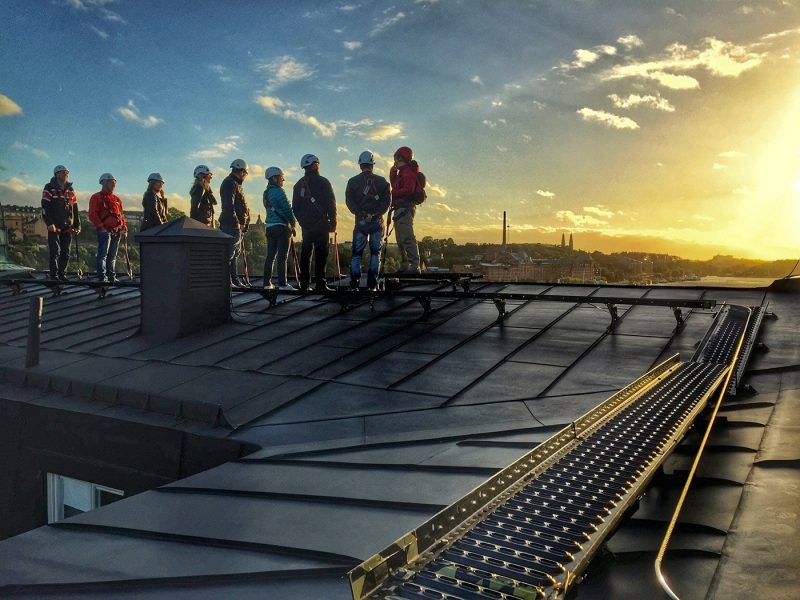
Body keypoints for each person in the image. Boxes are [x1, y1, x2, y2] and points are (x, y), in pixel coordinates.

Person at [345, 151, 391, 290]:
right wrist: (375, 214)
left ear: (360, 165)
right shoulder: (382, 182)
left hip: (360, 222)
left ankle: (354, 283)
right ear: (372, 165)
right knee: (375, 253)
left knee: (357, 254)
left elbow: (349, 202)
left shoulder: (352, 182)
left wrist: (362, 214)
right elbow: (387, 202)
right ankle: (372, 284)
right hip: (377, 222)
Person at [292, 154, 336, 292]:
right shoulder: (323, 182)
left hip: (306, 226)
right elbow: (331, 203)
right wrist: (332, 221)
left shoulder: (298, 185)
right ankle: (321, 283)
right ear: (315, 165)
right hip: (322, 223)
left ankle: (304, 284)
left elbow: (295, 208)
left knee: (306, 253)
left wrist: (302, 222)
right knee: (321, 254)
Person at [41, 165, 80, 281]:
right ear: (56, 174)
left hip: (67, 226)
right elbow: (45, 207)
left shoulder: (71, 190)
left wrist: (77, 225)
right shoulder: (49, 187)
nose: (65, 174)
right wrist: (49, 223)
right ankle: (54, 276)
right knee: (54, 251)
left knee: (66, 251)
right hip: (54, 225)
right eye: (62, 172)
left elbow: (75, 209)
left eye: (66, 172)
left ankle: (62, 274)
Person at [88, 173, 127, 283]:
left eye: (114, 183)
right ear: (103, 182)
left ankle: (111, 277)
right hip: (105, 230)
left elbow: (121, 215)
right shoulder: (96, 197)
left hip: (116, 230)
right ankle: (102, 278)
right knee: (103, 255)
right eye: (111, 182)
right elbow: (92, 214)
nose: (113, 185)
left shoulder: (117, 199)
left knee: (112, 256)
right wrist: (101, 227)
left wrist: (124, 227)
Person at [262, 167, 297, 290]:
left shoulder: (266, 193)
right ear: (275, 178)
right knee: (282, 257)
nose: (283, 180)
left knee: (270, 257)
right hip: (281, 227)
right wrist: (293, 224)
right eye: (281, 178)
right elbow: (287, 209)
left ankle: (267, 283)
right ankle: (282, 284)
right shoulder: (279, 192)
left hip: (269, 227)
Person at [389, 146, 421, 273]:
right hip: (400, 209)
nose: (395, 162)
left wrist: (394, 193)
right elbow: (395, 184)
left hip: (405, 209)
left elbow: (408, 190)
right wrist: (393, 172)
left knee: (407, 238)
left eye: (397, 159)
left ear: (402, 158)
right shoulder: (401, 173)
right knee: (400, 239)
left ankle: (414, 266)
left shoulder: (408, 172)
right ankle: (405, 265)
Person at [219, 158, 251, 286]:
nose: (245, 175)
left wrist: (245, 222)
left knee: (235, 255)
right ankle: (227, 281)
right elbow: (229, 205)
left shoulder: (235, 184)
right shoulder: (230, 183)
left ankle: (234, 280)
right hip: (231, 225)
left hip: (236, 226)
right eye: (245, 173)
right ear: (241, 171)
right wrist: (237, 222)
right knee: (229, 255)